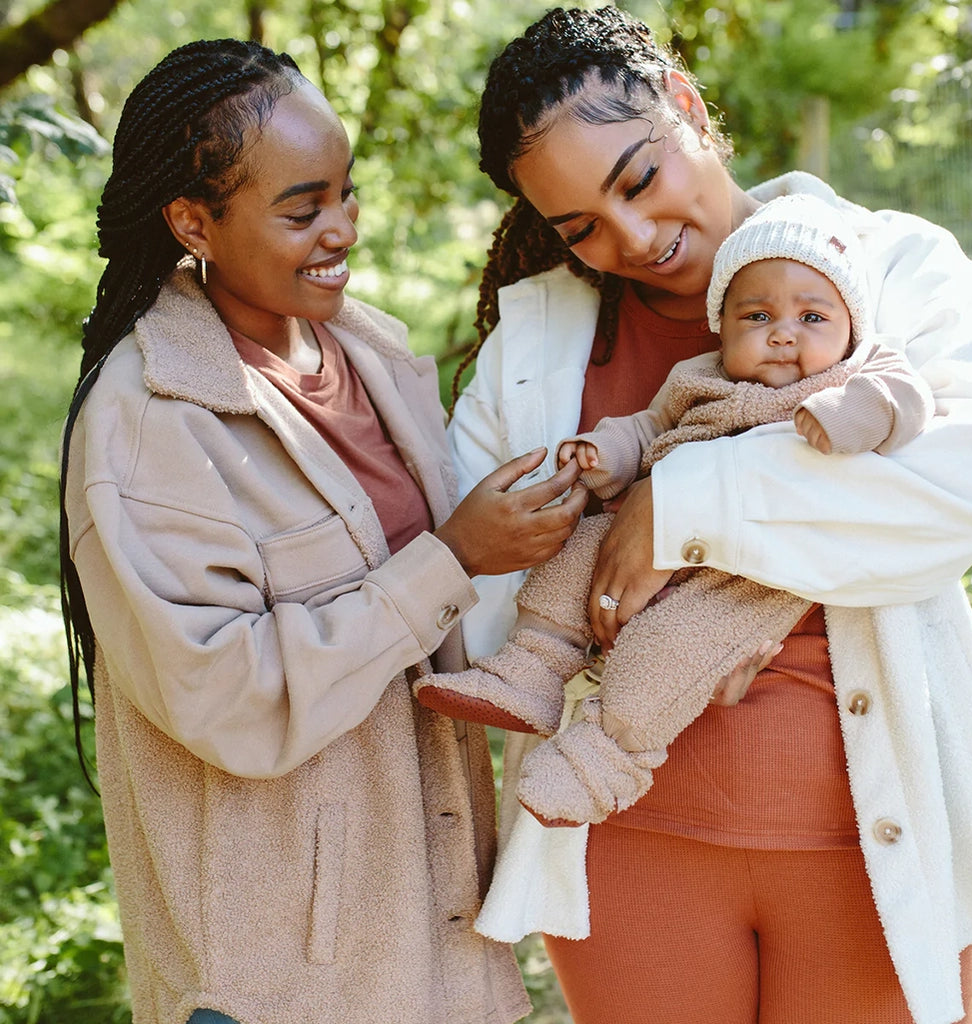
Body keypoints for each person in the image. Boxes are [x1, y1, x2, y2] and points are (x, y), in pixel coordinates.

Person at [443, 7, 972, 1024]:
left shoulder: (894, 268)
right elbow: (476, 587)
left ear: (685, 106)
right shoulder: (543, 336)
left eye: (638, 180)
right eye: (580, 226)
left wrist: (680, 501)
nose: (630, 239)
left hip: (869, 833)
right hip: (625, 837)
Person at [57, 38, 590, 1024]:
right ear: (192, 222)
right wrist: (455, 556)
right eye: (303, 209)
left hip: (434, 942)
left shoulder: (370, 349)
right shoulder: (152, 420)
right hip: (278, 981)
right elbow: (230, 699)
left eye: (347, 192)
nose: (342, 227)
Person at [417, 192, 934, 828]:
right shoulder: (699, 375)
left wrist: (852, 416)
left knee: (667, 651)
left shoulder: (854, 376)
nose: (783, 333)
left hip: (741, 583)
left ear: (851, 325)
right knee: (575, 555)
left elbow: (907, 401)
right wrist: (604, 451)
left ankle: (608, 758)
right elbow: (646, 427)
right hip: (636, 542)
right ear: (722, 325)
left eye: (813, 318)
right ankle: (534, 666)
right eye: (757, 315)